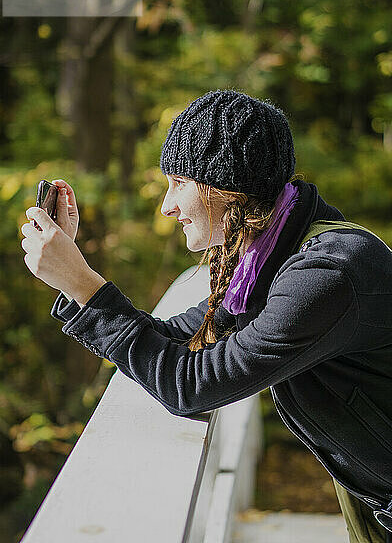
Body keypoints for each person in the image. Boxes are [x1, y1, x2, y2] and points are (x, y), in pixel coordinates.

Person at [20, 89, 392, 543]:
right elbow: (177, 338)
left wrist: (83, 284)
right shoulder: (265, 260)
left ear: (225, 187)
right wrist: (73, 279)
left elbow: (194, 386)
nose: (166, 206)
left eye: (178, 182)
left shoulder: (326, 274)